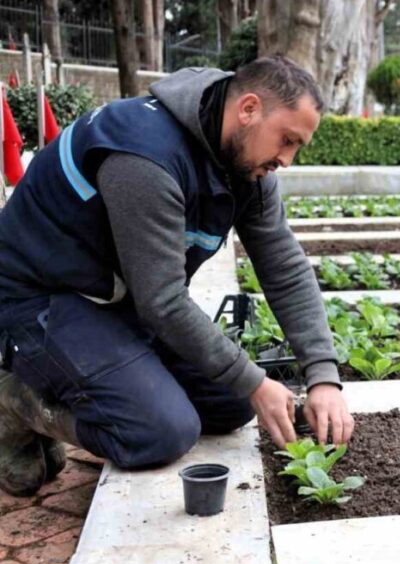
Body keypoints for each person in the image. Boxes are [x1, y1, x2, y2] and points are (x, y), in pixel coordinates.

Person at [0, 56, 354, 497]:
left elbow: (283, 266)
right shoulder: (144, 154)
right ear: (248, 109)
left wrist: (322, 376)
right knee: (160, 432)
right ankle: (17, 403)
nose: (287, 159)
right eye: (286, 140)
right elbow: (163, 301)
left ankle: (95, 386)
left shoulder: (246, 164)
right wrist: (253, 380)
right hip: (41, 301)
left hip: (116, 303)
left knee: (232, 404)